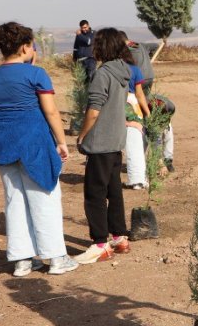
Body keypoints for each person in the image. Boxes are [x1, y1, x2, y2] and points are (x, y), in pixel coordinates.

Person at [0, 22, 78, 276]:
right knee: (44, 196)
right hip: (34, 142)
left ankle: (22, 260)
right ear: (26, 47)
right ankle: (57, 258)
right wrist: (61, 141)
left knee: (14, 200)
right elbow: (51, 111)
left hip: (3, 144)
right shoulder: (36, 75)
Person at [74, 28, 133, 264]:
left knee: (94, 195)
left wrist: (81, 135)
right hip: (116, 140)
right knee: (114, 190)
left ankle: (99, 244)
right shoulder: (124, 71)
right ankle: (119, 237)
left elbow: (94, 109)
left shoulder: (103, 73)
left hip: (100, 143)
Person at [119, 42, 152, 190]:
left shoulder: (110, 69)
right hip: (132, 105)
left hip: (116, 104)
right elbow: (140, 94)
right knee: (135, 145)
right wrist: (147, 112)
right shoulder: (135, 70)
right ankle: (137, 180)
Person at [148, 94, 176, 172]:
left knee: (168, 134)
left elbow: (168, 118)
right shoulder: (149, 105)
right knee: (156, 137)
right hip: (149, 116)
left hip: (163, 114)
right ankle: (156, 161)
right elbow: (155, 140)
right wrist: (159, 161)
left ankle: (168, 161)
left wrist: (164, 124)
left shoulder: (171, 107)